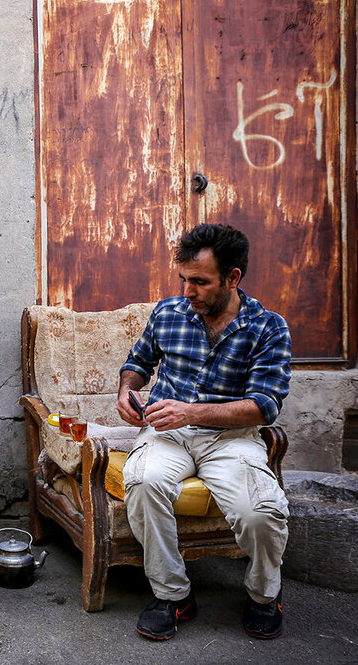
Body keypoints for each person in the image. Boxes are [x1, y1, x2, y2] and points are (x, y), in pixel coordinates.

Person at [117, 223, 291, 641]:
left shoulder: (268, 327)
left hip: (231, 440)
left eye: (200, 282)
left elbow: (264, 406)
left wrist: (191, 411)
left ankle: (264, 595)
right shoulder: (167, 313)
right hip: (166, 434)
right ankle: (173, 595)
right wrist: (127, 390)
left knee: (260, 513)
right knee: (143, 481)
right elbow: (137, 362)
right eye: (184, 280)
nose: (188, 291)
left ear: (233, 278)